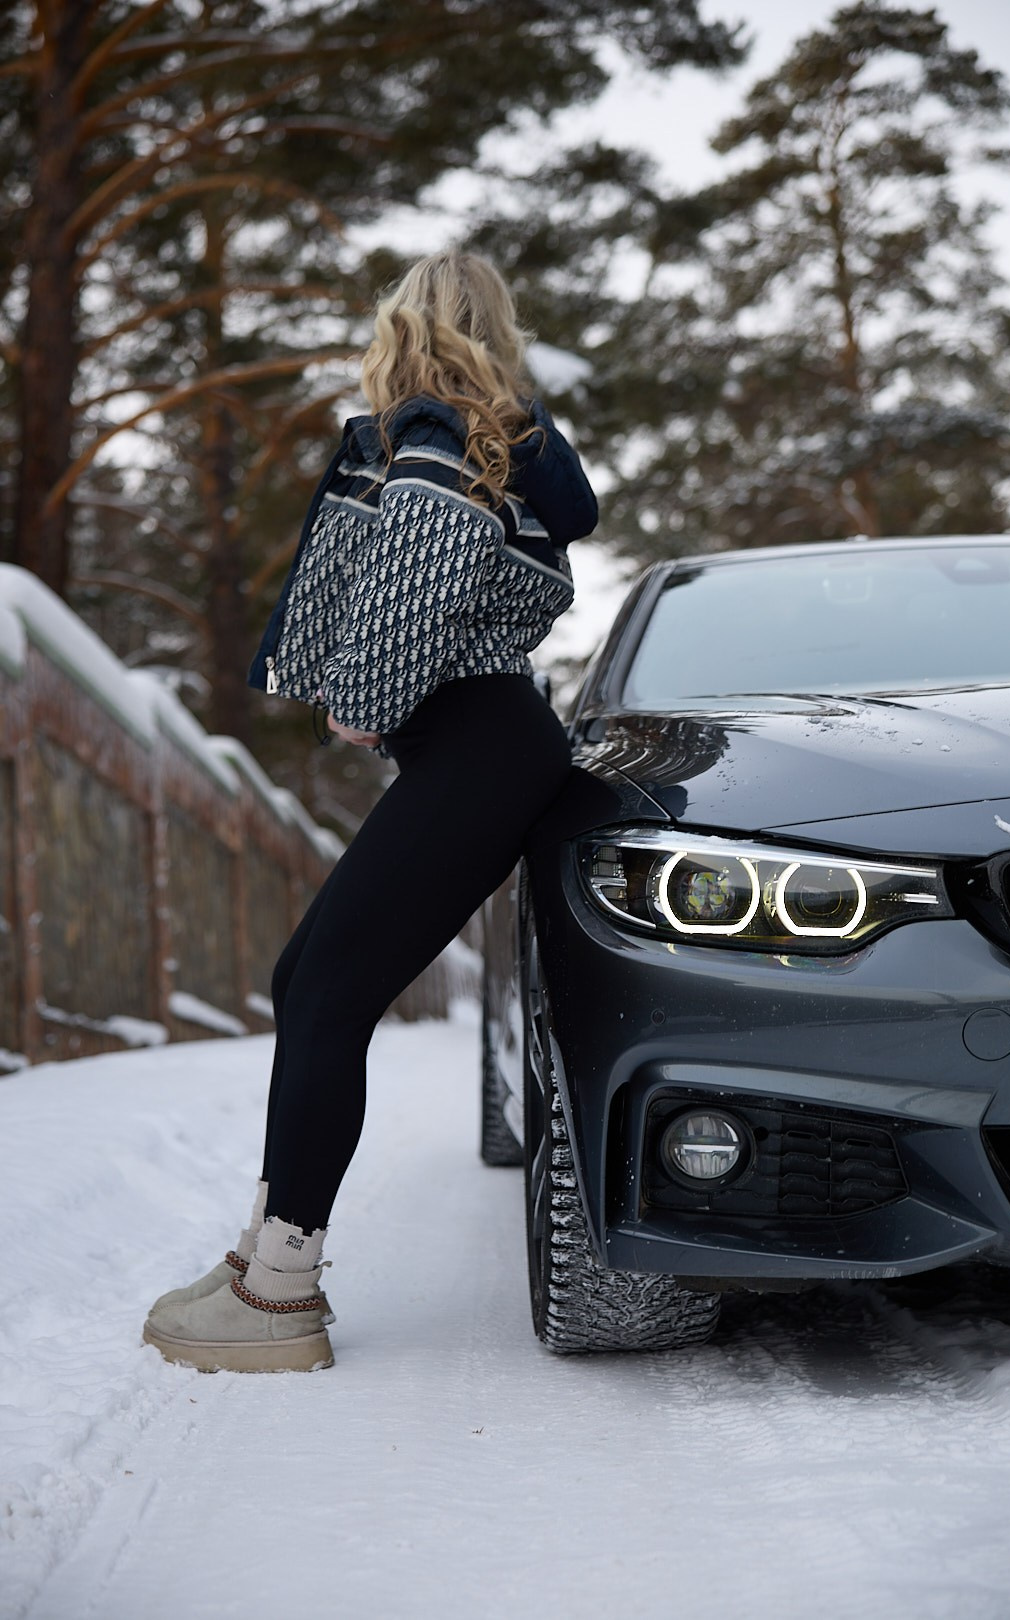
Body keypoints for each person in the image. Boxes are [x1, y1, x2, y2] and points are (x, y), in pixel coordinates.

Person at [142, 251, 598, 1373]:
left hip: (479, 746)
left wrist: (363, 700)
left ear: (405, 327)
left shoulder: (435, 435)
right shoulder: (483, 436)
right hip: (483, 745)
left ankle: (282, 1293)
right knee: (310, 981)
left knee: (331, 990)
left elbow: (425, 567)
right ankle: (265, 1252)